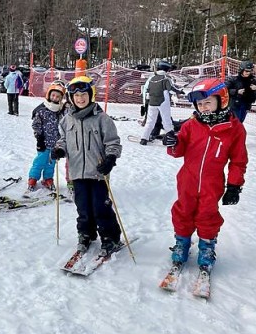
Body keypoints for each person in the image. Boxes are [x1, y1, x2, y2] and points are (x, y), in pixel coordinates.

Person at [165, 78, 247, 272]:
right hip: (187, 180)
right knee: (183, 210)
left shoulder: (234, 129)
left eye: (208, 102)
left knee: (207, 214)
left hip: (212, 183)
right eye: (200, 104)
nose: (204, 108)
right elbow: (178, 151)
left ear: (222, 100)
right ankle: (182, 243)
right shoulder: (190, 126)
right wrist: (173, 143)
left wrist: (234, 186)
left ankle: (207, 247)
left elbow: (238, 161)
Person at [52, 76, 123, 256]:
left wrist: (110, 159)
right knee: (82, 206)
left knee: (101, 206)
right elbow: (63, 140)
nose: (80, 98)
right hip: (77, 172)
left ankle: (110, 237)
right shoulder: (67, 120)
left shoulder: (102, 118)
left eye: (84, 94)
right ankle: (86, 233)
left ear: (91, 95)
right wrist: (60, 149)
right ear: (71, 98)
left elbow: (113, 143)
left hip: (98, 172)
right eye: (76, 96)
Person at [28, 81, 68, 191]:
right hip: (44, 143)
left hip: (56, 143)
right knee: (40, 161)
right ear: (49, 95)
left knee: (51, 162)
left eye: (58, 96)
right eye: (53, 95)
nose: (55, 98)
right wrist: (39, 138)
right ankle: (33, 178)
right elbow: (36, 125)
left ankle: (48, 178)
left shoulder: (61, 111)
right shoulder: (42, 110)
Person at [140, 60, 181, 145]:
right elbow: (171, 90)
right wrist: (180, 91)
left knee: (150, 121)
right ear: (166, 69)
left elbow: (146, 90)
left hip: (152, 102)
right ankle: (170, 136)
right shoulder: (166, 78)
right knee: (166, 119)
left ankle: (144, 138)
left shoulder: (152, 78)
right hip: (163, 101)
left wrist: (145, 103)